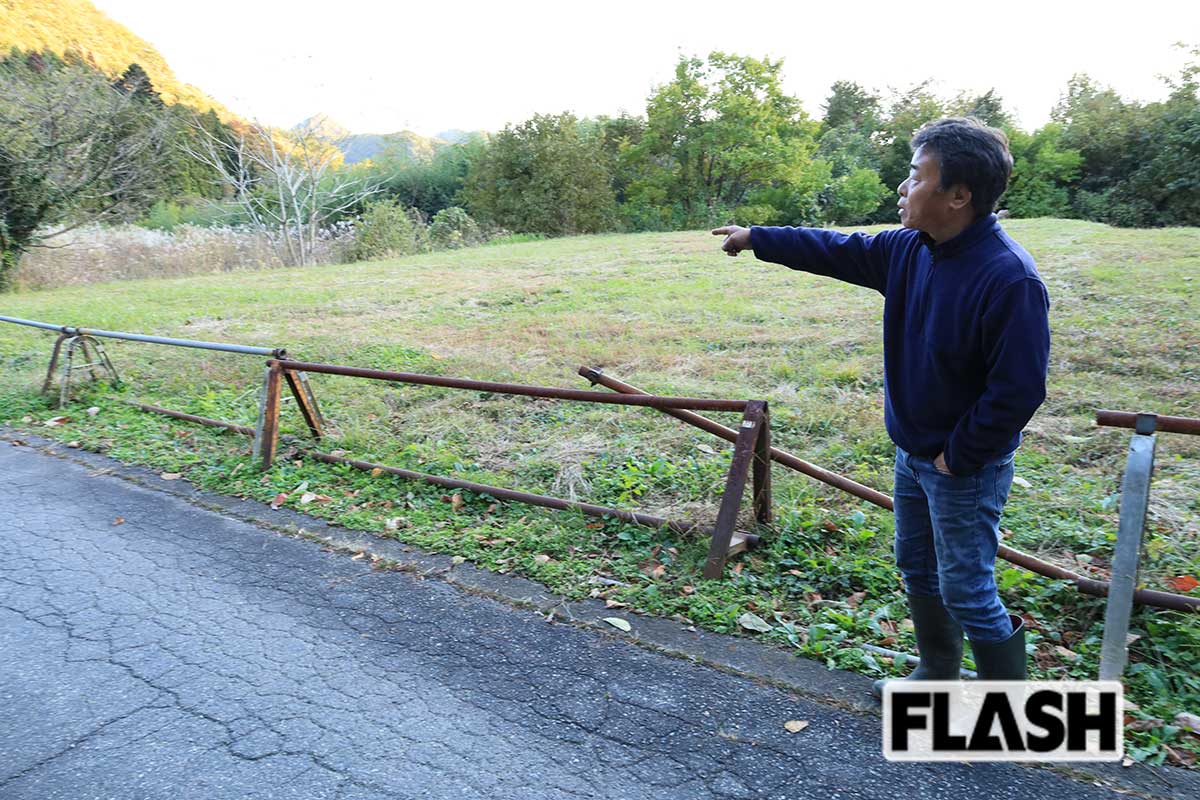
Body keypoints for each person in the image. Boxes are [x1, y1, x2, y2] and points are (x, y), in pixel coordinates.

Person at [713, 117, 1050, 693]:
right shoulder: (909, 250)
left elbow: (1018, 390)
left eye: (916, 175)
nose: (902, 187)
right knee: (917, 567)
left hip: (963, 468)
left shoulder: (1008, 278)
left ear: (958, 196)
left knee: (966, 588)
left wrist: (957, 456)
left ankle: (1009, 709)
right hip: (912, 454)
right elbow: (836, 248)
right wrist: (757, 237)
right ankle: (937, 674)